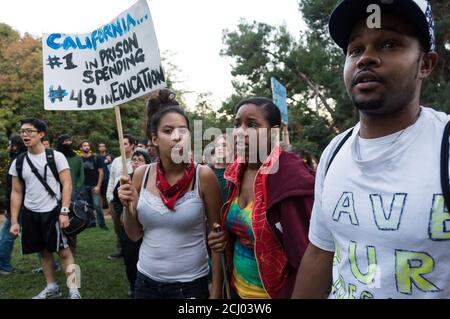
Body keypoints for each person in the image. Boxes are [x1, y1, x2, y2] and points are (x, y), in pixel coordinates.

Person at [291, 0, 444, 299]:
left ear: (425, 64)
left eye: (389, 44)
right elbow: (320, 254)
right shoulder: (335, 152)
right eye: (355, 49)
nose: (366, 59)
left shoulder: (445, 147)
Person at [118, 89, 222, 299]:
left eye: (183, 131)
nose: (177, 137)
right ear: (154, 139)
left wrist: (217, 290)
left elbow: (218, 240)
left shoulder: (204, 177)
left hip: (191, 286)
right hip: (146, 283)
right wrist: (127, 207)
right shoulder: (141, 175)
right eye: (168, 130)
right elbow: (134, 234)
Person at [208, 97, 315, 299]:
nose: (239, 132)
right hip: (236, 291)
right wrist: (223, 237)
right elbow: (242, 232)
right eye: (236, 124)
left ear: (273, 132)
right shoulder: (234, 173)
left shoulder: (291, 178)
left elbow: (306, 256)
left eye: (252, 125)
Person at [9, 118, 81, 299]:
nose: (25, 135)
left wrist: (64, 211)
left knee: (64, 251)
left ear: (41, 134)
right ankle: (52, 287)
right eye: (22, 131)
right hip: (31, 213)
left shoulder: (55, 156)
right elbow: (16, 192)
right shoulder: (18, 162)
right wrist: (14, 221)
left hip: (54, 211)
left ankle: (74, 289)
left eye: (29, 131)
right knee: (43, 252)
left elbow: (67, 184)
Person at [111, 148, 151, 297]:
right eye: (134, 159)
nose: (135, 162)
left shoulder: (151, 180)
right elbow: (115, 199)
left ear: (147, 163)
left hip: (146, 228)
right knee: (130, 258)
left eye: (140, 159)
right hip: (128, 228)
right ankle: (133, 284)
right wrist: (123, 211)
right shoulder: (125, 180)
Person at [106, 134, 136, 259]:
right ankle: (120, 249)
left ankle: (132, 249)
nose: (122, 147)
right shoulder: (116, 161)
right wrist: (109, 198)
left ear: (132, 145)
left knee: (129, 225)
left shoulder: (136, 161)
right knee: (118, 226)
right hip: (115, 198)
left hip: (130, 198)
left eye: (125, 144)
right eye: (121, 144)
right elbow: (112, 179)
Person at [0, 134, 26, 275]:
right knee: (8, 235)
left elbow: (11, 189)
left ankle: (2, 264)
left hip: (20, 206)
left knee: (7, 235)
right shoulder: (24, 158)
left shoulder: (18, 161)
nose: (8, 147)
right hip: (23, 206)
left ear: (15, 146)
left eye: (10, 145)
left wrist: (8, 207)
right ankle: (2, 264)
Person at [55, 133, 84, 256]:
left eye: (69, 141)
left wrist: (75, 189)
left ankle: (71, 249)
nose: (67, 143)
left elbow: (81, 176)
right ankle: (57, 246)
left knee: (71, 221)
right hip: (55, 193)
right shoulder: (55, 156)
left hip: (71, 193)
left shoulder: (77, 158)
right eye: (64, 141)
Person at [79, 140, 107, 229]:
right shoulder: (79, 159)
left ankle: (102, 224)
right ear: (81, 148)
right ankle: (91, 223)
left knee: (97, 205)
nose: (87, 147)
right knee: (88, 206)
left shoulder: (96, 158)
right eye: (84, 145)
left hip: (95, 185)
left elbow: (101, 172)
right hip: (84, 186)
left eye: (88, 145)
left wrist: (98, 186)